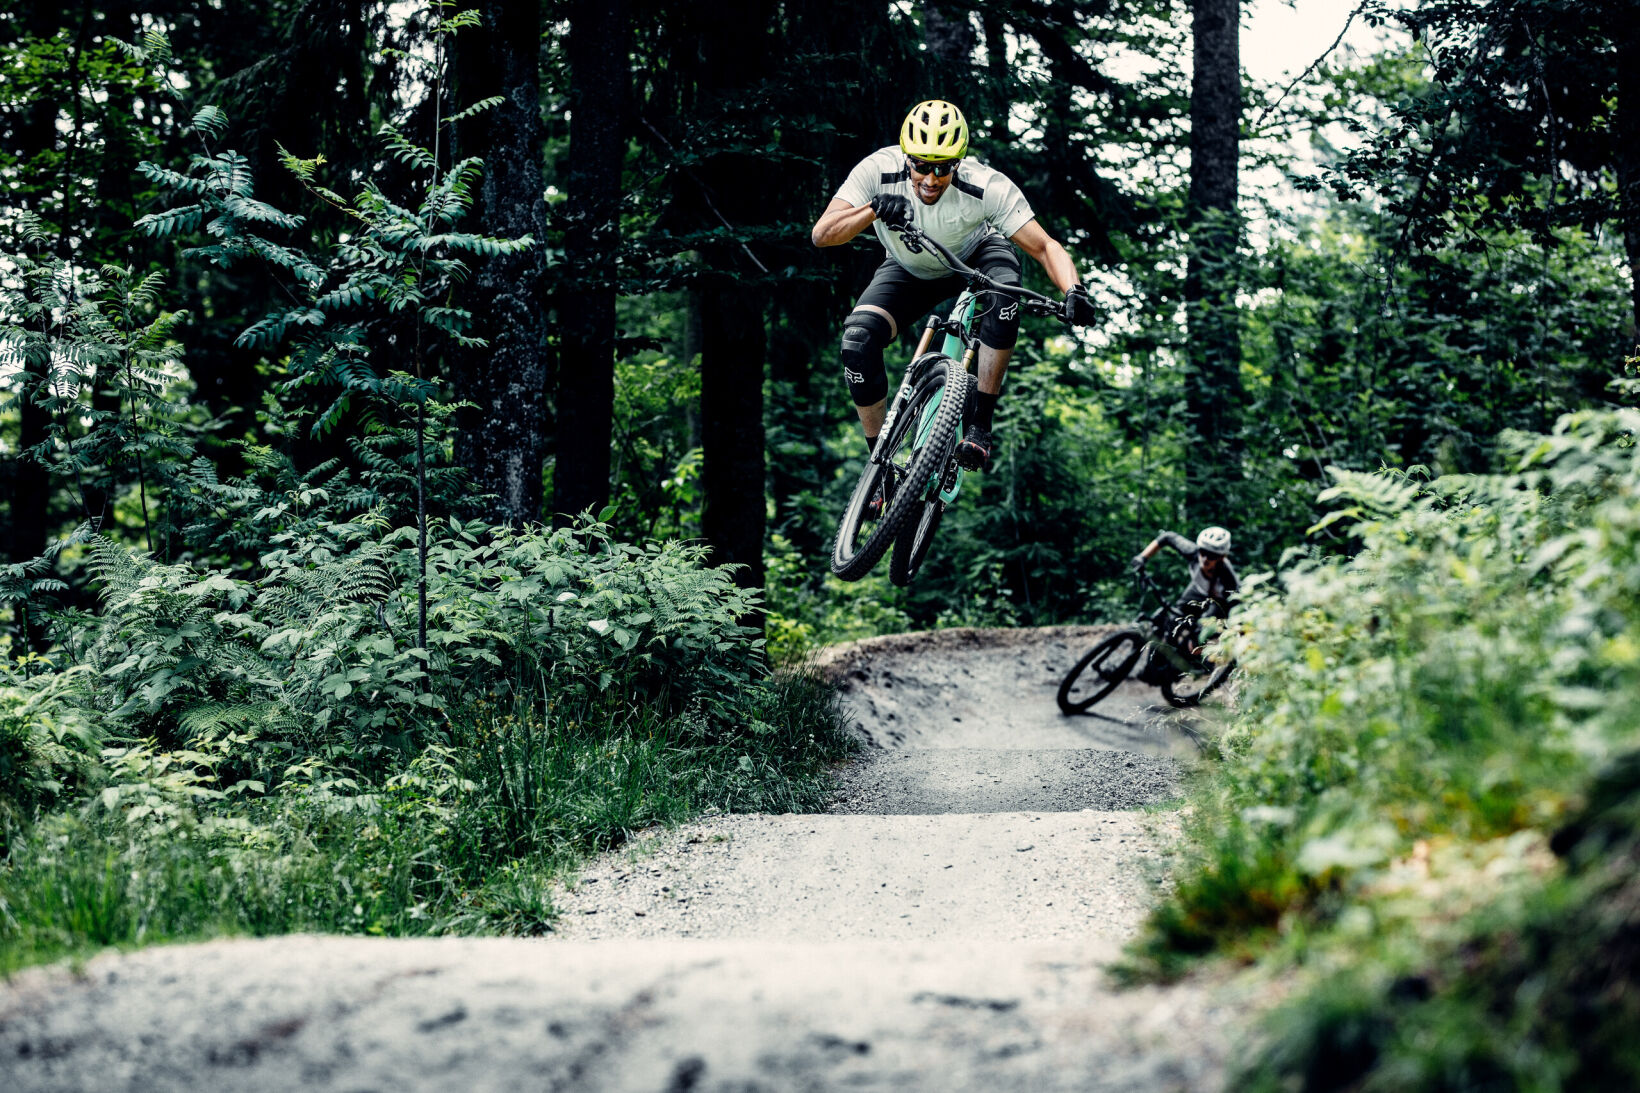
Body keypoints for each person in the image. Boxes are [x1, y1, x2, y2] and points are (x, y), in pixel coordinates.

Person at [810, 99, 1099, 478]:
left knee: (1005, 291)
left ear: (958, 162)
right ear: (905, 157)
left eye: (942, 168)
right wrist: (873, 209)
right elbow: (822, 234)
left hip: (976, 256)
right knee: (858, 340)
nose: (930, 180)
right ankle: (878, 466)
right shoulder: (876, 170)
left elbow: (1045, 247)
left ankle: (980, 424)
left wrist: (1073, 289)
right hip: (910, 265)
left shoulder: (986, 185)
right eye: (921, 166)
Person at [1130, 525, 1239, 621]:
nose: (1205, 559)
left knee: (1203, 627)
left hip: (1218, 600)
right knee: (1175, 617)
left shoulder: (1227, 576)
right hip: (1197, 589)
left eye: (1212, 555)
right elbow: (1168, 537)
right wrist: (1142, 557)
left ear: (1221, 558)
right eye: (1203, 552)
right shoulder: (1192, 552)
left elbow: (1235, 602)